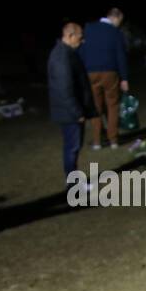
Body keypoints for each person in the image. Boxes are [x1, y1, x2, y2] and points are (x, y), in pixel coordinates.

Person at [47, 22, 95, 186]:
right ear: (70, 36)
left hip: (68, 111)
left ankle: (74, 180)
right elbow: (64, 88)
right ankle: (73, 183)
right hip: (69, 113)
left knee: (73, 147)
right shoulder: (62, 56)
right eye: (80, 37)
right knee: (72, 148)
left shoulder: (65, 53)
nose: (81, 41)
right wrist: (77, 112)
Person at [78, 7, 129, 149]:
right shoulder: (115, 32)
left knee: (95, 107)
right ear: (115, 18)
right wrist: (124, 78)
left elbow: (81, 51)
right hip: (110, 72)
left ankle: (97, 141)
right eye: (120, 21)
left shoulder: (88, 29)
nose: (120, 24)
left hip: (90, 73)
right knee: (112, 106)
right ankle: (113, 140)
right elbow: (121, 55)